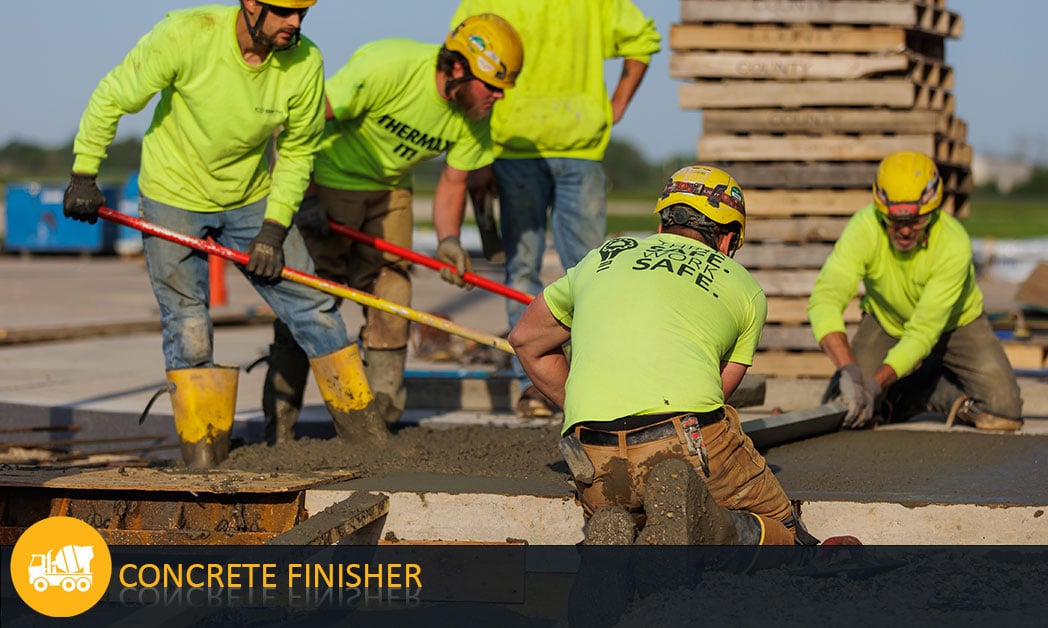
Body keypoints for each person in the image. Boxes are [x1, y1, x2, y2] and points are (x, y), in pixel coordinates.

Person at [62, 0, 391, 468]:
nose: (295, 23)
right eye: (284, 11)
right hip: (172, 194)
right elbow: (113, 95)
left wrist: (274, 230)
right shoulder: (187, 34)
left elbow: (298, 153)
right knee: (189, 325)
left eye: (303, 13)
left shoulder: (305, 62)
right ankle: (205, 455)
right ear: (252, 4)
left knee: (314, 308)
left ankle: (368, 440)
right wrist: (84, 173)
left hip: (252, 199)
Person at [508, 165, 815, 546]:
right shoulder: (745, 288)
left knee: (636, 506)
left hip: (592, 451)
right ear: (727, 238)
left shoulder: (602, 257)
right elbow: (716, 394)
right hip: (681, 440)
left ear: (662, 224)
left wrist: (584, 408)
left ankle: (618, 528)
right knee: (782, 530)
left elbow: (525, 339)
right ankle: (711, 526)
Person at [261, 14, 524, 443]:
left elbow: (454, 181)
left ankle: (375, 427)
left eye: (502, 88)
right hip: (327, 181)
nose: (497, 96)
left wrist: (449, 240)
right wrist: (303, 197)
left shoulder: (473, 111)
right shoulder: (389, 67)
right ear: (457, 67)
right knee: (305, 300)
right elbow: (303, 124)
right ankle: (279, 428)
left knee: (393, 296)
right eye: (491, 85)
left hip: (391, 193)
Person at [450, 0, 662, 419]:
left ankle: (570, 383)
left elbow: (643, 38)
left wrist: (617, 103)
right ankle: (541, 383)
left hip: (560, 148)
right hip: (521, 148)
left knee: (556, 272)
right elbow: (462, 63)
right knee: (573, 272)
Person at [807, 150, 1024, 431]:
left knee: (1003, 412)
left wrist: (874, 384)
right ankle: (907, 393)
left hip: (955, 324)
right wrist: (849, 370)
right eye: (895, 221)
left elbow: (922, 332)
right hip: (886, 320)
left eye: (916, 220)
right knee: (849, 409)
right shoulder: (863, 228)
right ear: (880, 209)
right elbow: (825, 299)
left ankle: (934, 390)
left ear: (933, 211)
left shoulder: (953, 243)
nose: (906, 231)